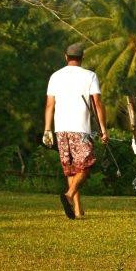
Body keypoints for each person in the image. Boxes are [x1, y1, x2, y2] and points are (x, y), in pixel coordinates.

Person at [43, 43, 108, 219]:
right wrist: (103, 129)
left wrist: (47, 129)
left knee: (71, 169)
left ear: (66, 57)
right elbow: (97, 104)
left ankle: (77, 209)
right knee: (86, 166)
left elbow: (50, 105)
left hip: (60, 128)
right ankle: (69, 195)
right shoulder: (90, 76)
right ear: (82, 58)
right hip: (80, 128)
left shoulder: (55, 76)